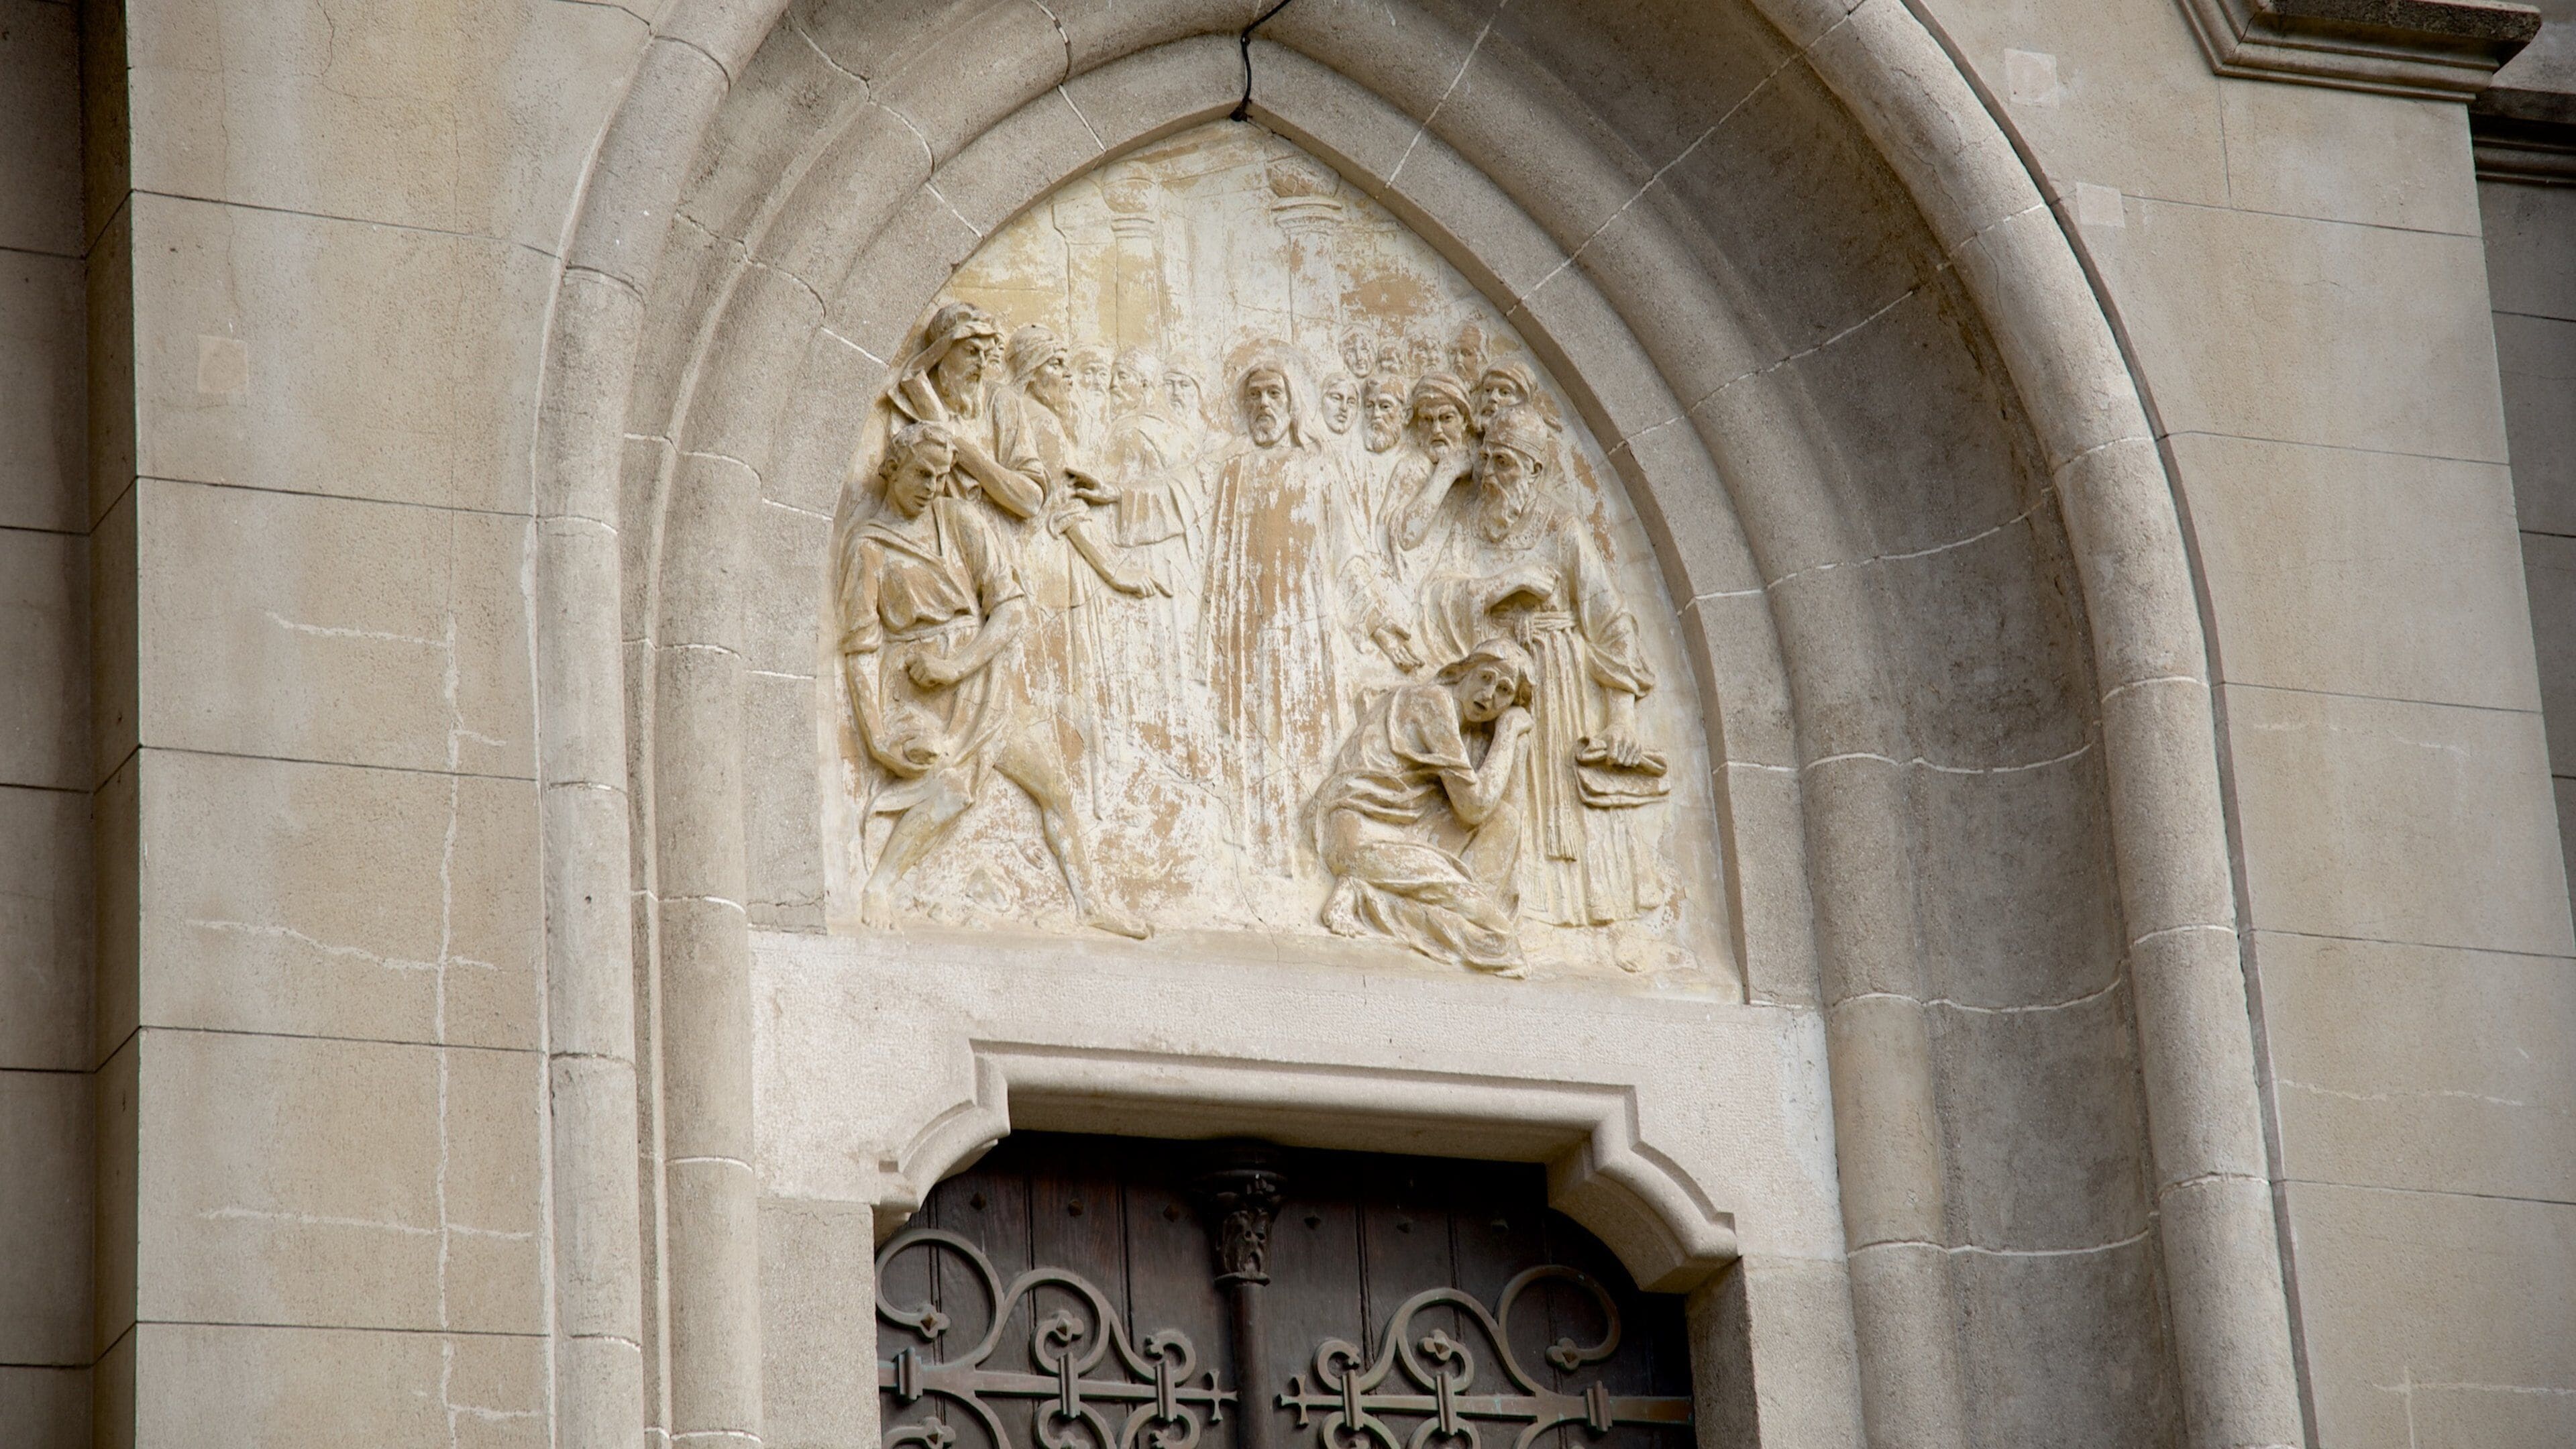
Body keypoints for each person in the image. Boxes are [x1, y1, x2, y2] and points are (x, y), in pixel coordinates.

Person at [835, 421, 1150, 938]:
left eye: (939, 477)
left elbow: (1009, 611)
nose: (930, 487)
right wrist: (878, 736)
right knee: (951, 788)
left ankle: (1090, 902)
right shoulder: (868, 545)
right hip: (914, 691)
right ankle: (881, 886)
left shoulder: (961, 521)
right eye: (919, 474)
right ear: (891, 469)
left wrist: (958, 665)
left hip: (980, 681)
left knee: (1054, 785)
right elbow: (860, 647)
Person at [1415, 406, 1662, 928]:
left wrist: (1621, 719)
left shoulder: (1563, 528)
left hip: (1558, 685)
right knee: (1498, 795)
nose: (1490, 475)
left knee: (1557, 806)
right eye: (1486, 460)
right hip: (1492, 683)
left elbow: (1612, 622)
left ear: (1534, 472)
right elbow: (1436, 595)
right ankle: (1500, 906)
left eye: (1505, 463)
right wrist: (1504, 585)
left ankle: (1567, 918)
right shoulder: (1469, 521)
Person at [1199, 352, 1355, 874]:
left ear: (1293, 406)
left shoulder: (1318, 469)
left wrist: (1380, 625)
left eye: (1274, 394)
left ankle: (1307, 860)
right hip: (1245, 632)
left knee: (1309, 744)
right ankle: (1251, 860)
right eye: (1254, 396)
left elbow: (1347, 559)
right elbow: (1215, 556)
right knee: (1247, 741)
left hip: (1305, 634)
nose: (1263, 405)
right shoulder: (1235, 470)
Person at [1311, 639, 1536, 974]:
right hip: (1358, 839)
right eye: (1485, 677)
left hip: (1406, 835)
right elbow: (1474, 807)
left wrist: (1519, 743)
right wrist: (1508, 732)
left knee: (1504, 823)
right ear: (1463, 671)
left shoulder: (1470, 735)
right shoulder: (1431, 702)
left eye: (1504, 690)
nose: (1490, 696)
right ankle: (1366, 895)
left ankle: (1367, 892)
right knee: (1498, 938)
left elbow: (1505, 813)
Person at [1359, 375, 1408, 455]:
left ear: (1406, 415)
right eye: (1370, 406)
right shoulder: (1351, 455)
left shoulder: (1415, 464)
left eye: (1385, 407)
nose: (1376, 414)